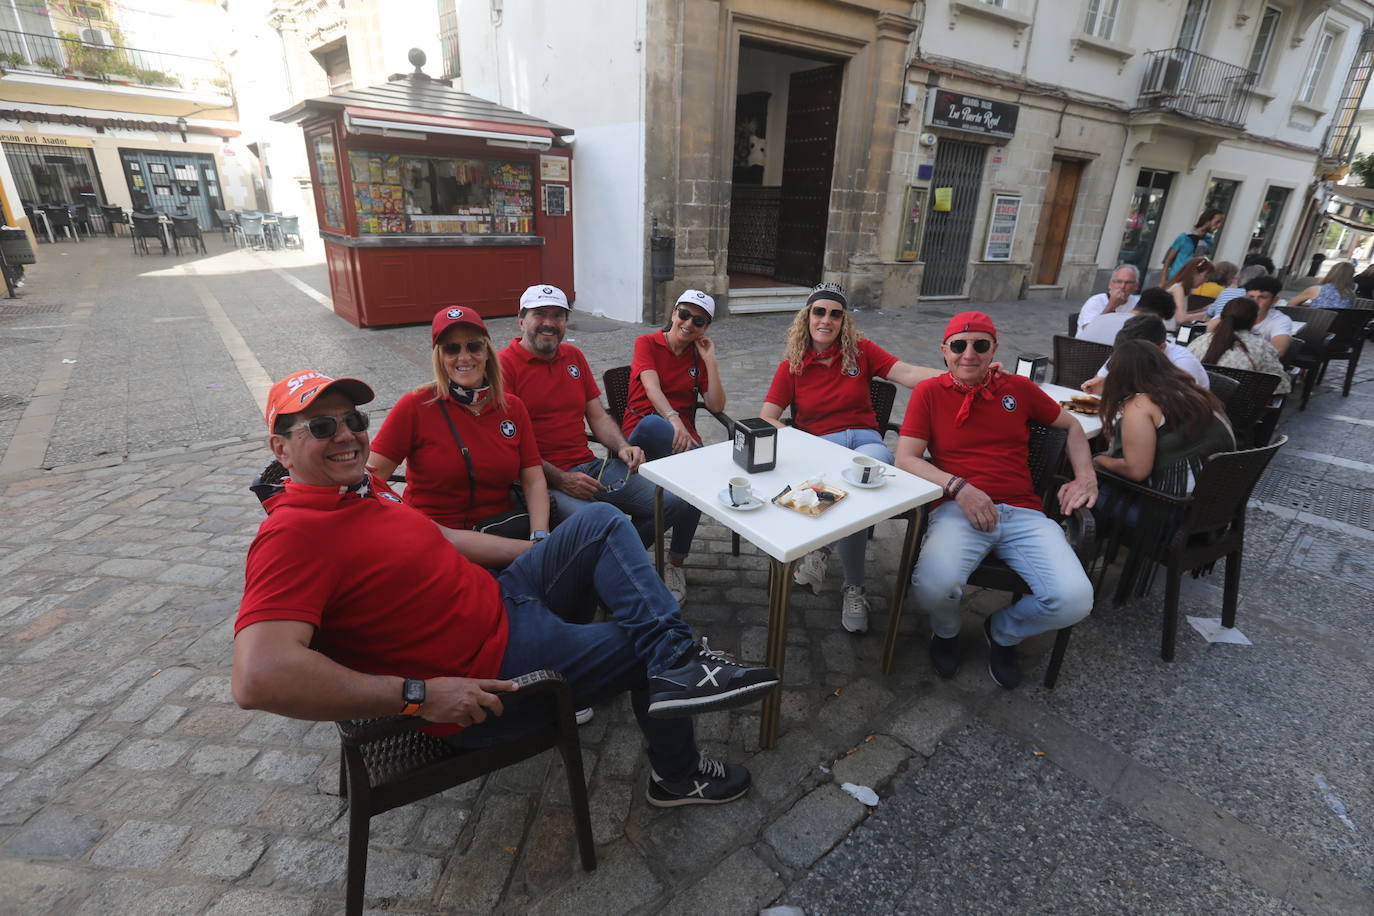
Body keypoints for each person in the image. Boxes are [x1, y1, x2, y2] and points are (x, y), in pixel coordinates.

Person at [234, 371, 780, 808]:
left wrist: (548, 555)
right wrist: (417, 697)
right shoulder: (292, 535)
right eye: (321, 428)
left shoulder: (362, 488)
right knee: (642, 643)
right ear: (281, 449)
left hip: (504, 601)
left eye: (351, 420)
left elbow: (442, 537)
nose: (348, 435)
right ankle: (677, 772)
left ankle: (676, 661)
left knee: (601, 524)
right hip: (493, 669)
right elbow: (259, 677)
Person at [895, 313, 1097, 689]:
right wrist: (959, 487)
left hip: (1023, 512)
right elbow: (904, 458)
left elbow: (1071, 425)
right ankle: (947, 631)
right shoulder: (930, 393)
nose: (968, 354)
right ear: (945, 351)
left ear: (994, 349)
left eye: (980, 345)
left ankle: (1003, 631)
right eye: (959, 345)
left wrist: (1086, 476)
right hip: (958, 509)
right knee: (930, 586)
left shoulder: (1017, 388)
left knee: (1076, 600)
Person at [498, 284, 702, 604]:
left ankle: (604, 569)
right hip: (541, 481)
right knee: (612, 522)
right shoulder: (503, 367)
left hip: (590, 466)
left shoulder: (573, 356)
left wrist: (622, 446)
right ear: (521, 320)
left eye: (558, 315)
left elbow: (598, 416)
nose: (549, 322)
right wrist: (561, 478)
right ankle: (619, 576)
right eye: (540, 314)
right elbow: (508, 446)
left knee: (676, 500)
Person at [758, 282, 942, 634]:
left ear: (843, 321)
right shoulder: (792, 366)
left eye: (835, 314)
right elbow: (766, 417)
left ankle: (822, 552)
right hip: (823, 450)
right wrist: (802, 442)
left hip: (866, 442)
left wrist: (959, 374)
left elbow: (907, 374)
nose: (826, 320)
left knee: (867, 472)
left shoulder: (860, 351)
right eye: (819, 312)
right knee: (854, 496)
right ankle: (854, 585)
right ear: (807, 317)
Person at [369, 308, 549, 540]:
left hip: (500, 531)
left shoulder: (513, 407)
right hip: (437, 539)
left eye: (473, 346)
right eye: (452, 349)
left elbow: (533, 479)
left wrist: (540, 534)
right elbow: (373, 481)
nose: (464, 357)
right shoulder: (415, 405)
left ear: (486, 352)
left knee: (597, 517)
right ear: (440, 358)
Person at [1091, 341, 1236, 602]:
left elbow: (1136, 470)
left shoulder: (1140, 405)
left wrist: (1099, 461)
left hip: (1172, 513)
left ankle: (1077, 558)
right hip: (1213, 510)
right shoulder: (1196, 393)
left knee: (1080, 486)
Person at [622, 289, 726, 457]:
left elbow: (716, 405)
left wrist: (710, 361)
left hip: (683, 434)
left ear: (705, 328)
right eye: (684, 314)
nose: (689, 323)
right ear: (673, 314)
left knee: (690, 462)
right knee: (653, 423)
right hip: (643, 425)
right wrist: (674, 420)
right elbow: (652, 388)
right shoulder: (646, 343)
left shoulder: (698, 356)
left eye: (698, 321)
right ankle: (701, 461)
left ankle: (700, 462)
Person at [1080, 289, 1210, 390]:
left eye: (1138, 357)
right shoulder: (1127, 348)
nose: (1131, 361)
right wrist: (1099, 386)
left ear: (1161, 348)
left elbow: (1168, 407)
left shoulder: (1181, 365)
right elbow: (1101, 379)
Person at [1187, 297, 1291, 395]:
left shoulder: (1200, 341)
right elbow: (1281, 386)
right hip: (1243, 410)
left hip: (1198, 407)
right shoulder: (1262, 347)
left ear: (1222, 318)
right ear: (1255, 320)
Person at [1206, 274, 1292, 358]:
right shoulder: (1235, 311)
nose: (1255, 301)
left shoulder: (1280, 320)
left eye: (1262, 297)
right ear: (1245, 297)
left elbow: (1279, 350)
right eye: (1251, 297)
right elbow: (1209, 332)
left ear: (1275, 300)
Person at [1162, 209, 1224, 282]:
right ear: (1207, 221)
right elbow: (1168, 259)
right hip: (1173, 279)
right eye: (1217, 222)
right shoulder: (1184, 237)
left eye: (1220, 223)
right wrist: (1162, 281)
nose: (1219, 226)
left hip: (1190, 282)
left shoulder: (1208, 241)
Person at [1075, 264, 1140, 333]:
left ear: (1136, 286)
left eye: (1128, 283)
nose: (1122, 286)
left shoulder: (1138, 302)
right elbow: (1089, 331)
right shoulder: (1096, 301)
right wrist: (1111, 306)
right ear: (1110, 284)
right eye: (1119, 281)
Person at [1287, 261, 1355, 310]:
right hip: (1336, 327)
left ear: (1331, 272)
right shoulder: (1351, 294)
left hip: (1315, 324)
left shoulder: (1316, 290)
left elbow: (1291, 304)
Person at [1165, 256, 1213, 323]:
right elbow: (1181, 319)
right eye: (1205, 276)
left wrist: (1202, 310)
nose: (1206, 280)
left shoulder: (1181, 289)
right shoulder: (1178, 289)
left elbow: (1182, 314)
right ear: (1194, 273)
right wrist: (1207, 314)